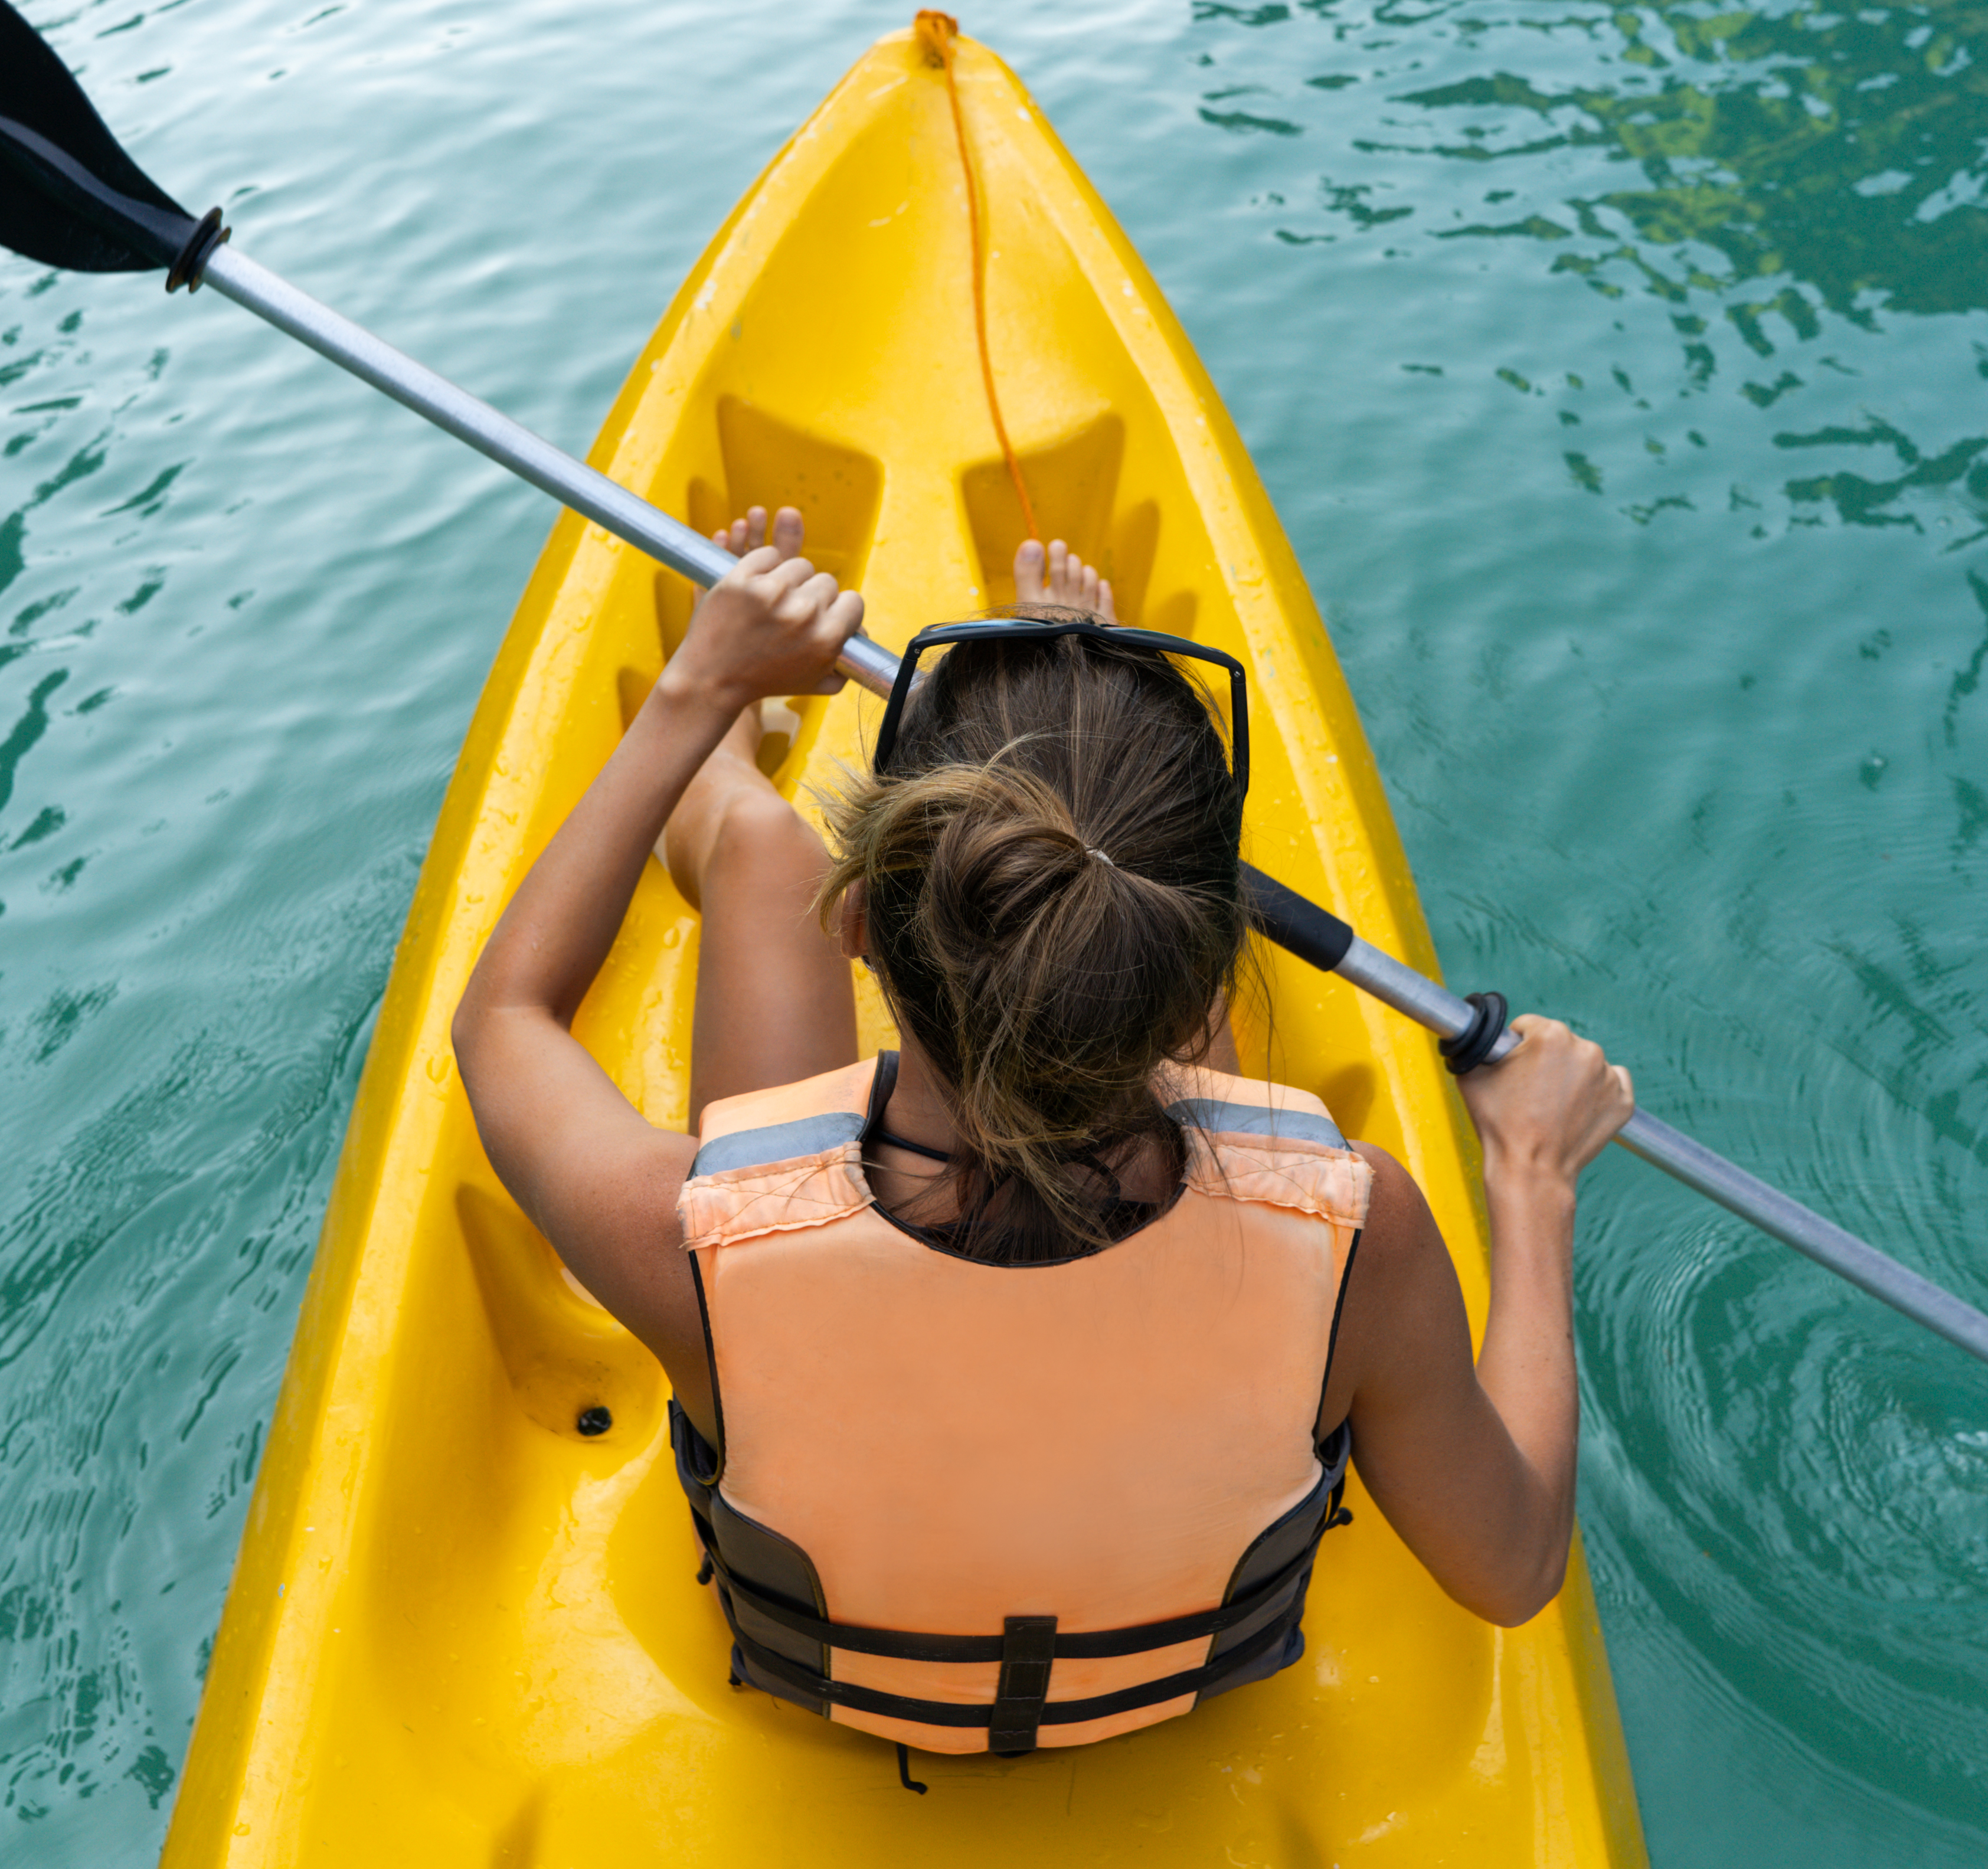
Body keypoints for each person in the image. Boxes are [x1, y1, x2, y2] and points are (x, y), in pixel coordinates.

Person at [452, 508, 1632, 1766]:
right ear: (1205, 1003)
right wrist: (1532, 1172)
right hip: (1176, 1690)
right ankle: (1069, 779)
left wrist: (700, 686)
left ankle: (732, 763)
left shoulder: (684, 1234)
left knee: (757, 844)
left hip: (837, 1687)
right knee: (1185, 1102)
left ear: (853, 921)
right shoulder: (1358, 1229)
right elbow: (1509, 1567)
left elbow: (505, 1018)